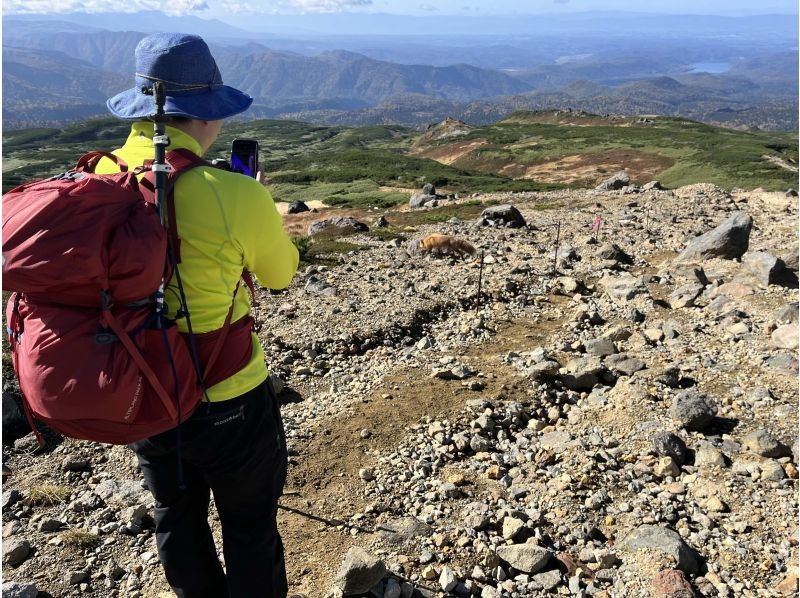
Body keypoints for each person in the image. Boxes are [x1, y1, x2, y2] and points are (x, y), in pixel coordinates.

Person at [97, 33, 299, 598]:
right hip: (228, 390)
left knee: (175, 514)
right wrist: (253, 201)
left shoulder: (97, 179)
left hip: (143, 386)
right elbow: (281, 275)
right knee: (249, 521)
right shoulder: (233, 193)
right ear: (205, 114)